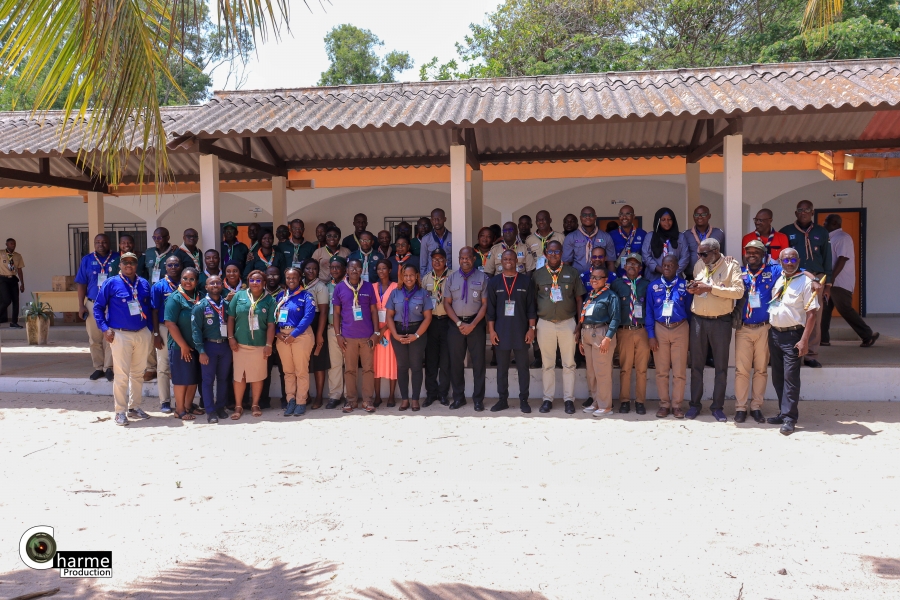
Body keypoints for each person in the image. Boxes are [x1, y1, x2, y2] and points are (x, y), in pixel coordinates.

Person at [685, 238, 744, 422]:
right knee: (696, 366)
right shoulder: (699, 265)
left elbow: (738, 292)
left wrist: (710, 288)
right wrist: (693, 288)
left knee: (721, 366)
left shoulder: (731, 265)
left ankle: (717, 407)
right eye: (699, 254)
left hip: (720, 322)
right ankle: (694, 405)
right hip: (698, 321)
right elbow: (698, 286)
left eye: (704, 254)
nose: (701, 257)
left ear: (716, 251)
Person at [93, 252, 153, 426]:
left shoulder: (143, 283)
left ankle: (135, 407)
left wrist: (149, 331)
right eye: (125, 262)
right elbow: (98, 308)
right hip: (120, 334)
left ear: (137, 265)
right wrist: (105, 329)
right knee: (121, 375)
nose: (129, 265)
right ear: (120, 265)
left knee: (138, 374)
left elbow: (148, 308)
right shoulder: (111, 283)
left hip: (141, 333)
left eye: (132, 262)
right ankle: (120, 412)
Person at [766, 248, 819, 435]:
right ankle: (783, 412)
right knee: (778, 376)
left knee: (791, 378)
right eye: (786, 259)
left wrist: (805, 341)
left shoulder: (805, 282)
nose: (789, 262)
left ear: (799, 260)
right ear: (780, 261)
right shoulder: (780, 277)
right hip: (774, 334)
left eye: (793, 259)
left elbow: (812, 314)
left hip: (793, 337)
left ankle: (790, 418)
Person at [533, 240, 586, 414]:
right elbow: (533, 301)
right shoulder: (538, 275)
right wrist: (533, 327)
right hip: (545, 324)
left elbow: (579, 299)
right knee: (547, 364)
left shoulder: (572, 272)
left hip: (567, 323)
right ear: (545, 254)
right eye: (550, 252)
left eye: (557, 252)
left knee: (569, 364)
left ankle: (568, 399)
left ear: (561, 253)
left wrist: (579, 324)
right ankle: (547, 399)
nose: (553, 255)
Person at [779, 200, 832, 368]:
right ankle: (792, 351)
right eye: (800, 210)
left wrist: (828, 284)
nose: (803, 212)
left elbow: (827, 257)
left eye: (807, 210)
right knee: (792, 313)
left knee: (814, 314)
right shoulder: (786, 231)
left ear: (812, 212)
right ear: (796, 213)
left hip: (817, 278)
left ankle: (811, 355)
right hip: (793, 277)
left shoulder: (821, 232)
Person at [487, 249, 537, 413]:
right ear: (501, 262)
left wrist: (531, 329)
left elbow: (531, 308)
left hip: (521, 332)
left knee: (523, 368)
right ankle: (503, 400)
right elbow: (490, 311)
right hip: (501, 333)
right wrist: (492, 332)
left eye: (511, 258)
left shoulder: (525, 281)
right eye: (505, 258)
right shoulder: (494, 282)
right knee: (502, 369)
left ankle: (524, 400)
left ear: (517, 261)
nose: (508, 261)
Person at [735, 240, 779, 424]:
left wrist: (815, 279)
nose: (751, 254)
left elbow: (794, 270)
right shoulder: (739, 273)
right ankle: (740, 408)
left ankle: (756, 407)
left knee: (761, 370)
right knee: (742, 371)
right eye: (748, 252)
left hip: (763, 328)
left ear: (763, 255)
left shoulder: (773, 271)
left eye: (756, 252)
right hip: (744, 329)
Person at [822, 214, 879, 347]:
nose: (824, 225)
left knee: (845, 309)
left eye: (826, 222)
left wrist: (831, 279)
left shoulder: (843, 238)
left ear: (835, 223)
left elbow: (842, 259)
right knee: (824, 309)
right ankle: (823, 339)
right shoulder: (831, 238)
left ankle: (867, 335)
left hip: (839, 282)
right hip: (830, 282)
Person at [443, 247, 489, 411]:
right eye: (462, 258)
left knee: (478, 363)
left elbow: (485, 305)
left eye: (468, 258)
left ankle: (478, 399)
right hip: (456, 325)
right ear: (458, 259)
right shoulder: (451, 279)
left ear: (474, 258)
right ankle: (458, 397)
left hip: (476, 324)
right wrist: (458, 323)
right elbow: (446, 303)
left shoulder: (483, 278)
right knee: (456, 363)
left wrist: (472, 324)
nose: (465, 260)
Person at [646, 255, 691, 418]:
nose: (667, 267)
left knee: (679, 371)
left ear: (677, 267)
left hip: (680, 328)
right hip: (660, 329)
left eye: (670, 265)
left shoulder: (684, 286)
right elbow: (649, 312)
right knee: (661, 370)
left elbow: (689, 310)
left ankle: (677, 405)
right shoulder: (653, 286)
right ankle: (664, 404)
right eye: (664, 265)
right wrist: (651, 335)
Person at [227, 269, 276, 419]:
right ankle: (238, 406)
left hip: (259, 345)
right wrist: (230, 337)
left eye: (258, 280)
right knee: (239, 376)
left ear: (264, 283)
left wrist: (269, 344)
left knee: (257, 376)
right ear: (248, 282)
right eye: (252, 280)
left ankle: (255, 404)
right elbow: (230, 318)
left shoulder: (269, 300)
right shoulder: (239, 296)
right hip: (240, 344)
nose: (255, 283)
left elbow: (271, 325)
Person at [333, 258, 380, 413]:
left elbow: (374, 310)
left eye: (357, 268)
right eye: (351, 268)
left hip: (367, 336)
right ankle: (351, 401)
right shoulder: (339, 288)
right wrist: (338, 334)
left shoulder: (368, 287)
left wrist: (376, 332)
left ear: (362, 271)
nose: (354, 270)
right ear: (347, 270)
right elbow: (337, 314)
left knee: (368, 369)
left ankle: (367, 400)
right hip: (348, 336)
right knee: (350, 369)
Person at [386, 264, 433, 411]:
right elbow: (389, 315)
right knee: (402, 366)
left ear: (417, 276)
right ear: (401, 277)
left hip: (417, 331)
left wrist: (416, 335)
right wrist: (394, 334)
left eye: (411, 275)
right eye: (405, 275)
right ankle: (405, 399)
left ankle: (415, 399)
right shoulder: (395, 293)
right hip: (398, 330)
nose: (408, 278)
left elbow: (427, 317)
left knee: (416, 366)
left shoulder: (423, 293)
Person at [75, 233, 119, 381]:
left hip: (112, 305)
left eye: (104, 242)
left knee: (110, 337)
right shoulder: (87, 260)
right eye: (98, 242)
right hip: (93, 304)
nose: (101, 244)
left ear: (109, 243)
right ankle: (98, 367)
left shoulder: (117, 258)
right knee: (94, 338)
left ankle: (109, 368)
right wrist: (81, 305)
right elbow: (81, 283)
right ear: (94, 244)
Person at [610, 253, 650, 415]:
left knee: (642, 369)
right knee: (625, 368)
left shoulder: (646, 285)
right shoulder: (617, 284)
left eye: (636, 264)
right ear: (624, 267)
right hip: (624, 331)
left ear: (640, 268)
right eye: (629, 264)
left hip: (642, 331)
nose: (632, 267)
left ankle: (640, 401)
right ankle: (625, 401)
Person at [274, 267, 317, 416]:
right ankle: (290, 400)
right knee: (288, 371)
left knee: (301, 371)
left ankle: (301, 401)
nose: (291, 280)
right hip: (282, 338)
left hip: (301, 336)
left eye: (294, 278)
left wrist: (294, 334)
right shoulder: (280, 296)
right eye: (288, 278)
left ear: (300, 279)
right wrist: (277, 333)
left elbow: (308, 317)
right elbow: (272, 318)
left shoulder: (306, 296)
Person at [164, 266, 204, 421]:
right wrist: (184, 346)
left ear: (197, 281)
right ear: (180, 280)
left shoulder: (200, 296)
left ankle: (188, 406)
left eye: (192, 279)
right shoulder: (175, 298)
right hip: (180, 347)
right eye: (185, 278)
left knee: (193, 378)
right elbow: (170, 324)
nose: (188, 282)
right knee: (181, 379)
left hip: (197, 346)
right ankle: (179, 410)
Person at [579, 266, 620, 417]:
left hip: (602, 333)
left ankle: (605, 406)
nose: (593, 280)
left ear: (605, 279)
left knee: (602, 372)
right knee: (592, 372)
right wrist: (582, 339)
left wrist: (608, 338)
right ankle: (596, 401)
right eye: (592, 277)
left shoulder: (610, 296)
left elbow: (616, 318)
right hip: (588, 333)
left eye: (597, 277)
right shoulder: (591, 295)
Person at [192, 274, 232, 424]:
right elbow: (196, 330)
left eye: (218, 283)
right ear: (206, 287)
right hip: (208, 346)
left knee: (223, 379)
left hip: (225, 346)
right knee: (208, 380)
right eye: (212, 283)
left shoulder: (227, 305)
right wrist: (201, 351)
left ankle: (221, 407)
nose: (215, 285)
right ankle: (210, 410)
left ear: (222, 286)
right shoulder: (200, 306)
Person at [150, 255, 182, 412]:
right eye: (170, 265)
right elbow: (154, 311)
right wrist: (156, 335)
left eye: (176, 264)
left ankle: (181, 401)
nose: (174, 267)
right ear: (165, 266)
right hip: (164, 329)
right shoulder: (159, 286)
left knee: (182, 364)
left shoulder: (186, 283)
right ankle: (165, 401)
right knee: (163, 366)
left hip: (183, 328)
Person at [300, 259, 331, 409]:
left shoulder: (321, 287)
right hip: (300, 325)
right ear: (303, 270)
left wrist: (319, 334)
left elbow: (324, 312)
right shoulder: (298, 284)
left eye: (314, 269)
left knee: (318, 362)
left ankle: (319, 396)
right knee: (302, 362)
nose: (311, 271)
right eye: (308, 268)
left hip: (317, 323)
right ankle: (304, 395)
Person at [422, 249, 451, 407]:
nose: (437, 262)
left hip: (447, 322)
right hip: (431, 323)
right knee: (431, 360)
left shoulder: (452, 276)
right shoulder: (426, 278)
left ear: (446, 260)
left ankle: (443, 394)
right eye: (434, 259)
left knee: (445, 361)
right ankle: (431, 394)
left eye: (440, 259)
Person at [372, 259, 398, 406]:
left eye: (384, 268)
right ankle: (377, 396)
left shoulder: (395, 287)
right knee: (375, 363)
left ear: (389, 270)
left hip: (390, 329)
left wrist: (384, 329)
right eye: (379, 269)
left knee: (392, 362)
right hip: (375, 330)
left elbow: (397, 310)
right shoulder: (372, 287)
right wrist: (377, 331)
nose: (381, 271)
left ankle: (391, 396)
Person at [260, 266, 287, 409]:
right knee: (265, 370)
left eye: (276, 275)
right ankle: (263, 400)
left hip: (281, 336)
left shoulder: (284, 294)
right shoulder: (260, 293)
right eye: (269, 275)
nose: (272, 278)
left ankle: (286, 399)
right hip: (264, 338)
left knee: (285, 370)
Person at [563, 206, 617, 274]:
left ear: (595, 217)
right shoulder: (571, 237)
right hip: (578, 278)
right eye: (584, 215)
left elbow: (610, 263)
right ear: (580, 217)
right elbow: (567, 263)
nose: (587, 217)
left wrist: (612, 280)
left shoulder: (606, 237)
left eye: (591, 215)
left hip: (600, 278)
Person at [324, 257, 347, 409]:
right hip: (332, 328)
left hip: (348, 328)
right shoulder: (326, 287)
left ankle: (348, 394)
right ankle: (335, 395)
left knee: (349, 363)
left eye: (338, 267)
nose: (334, 270)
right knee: (335, 364)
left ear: (345, 268)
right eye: (332, 267)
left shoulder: (350, 285)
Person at [642, 207, 689, 281]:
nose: (667, 222)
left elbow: (685, 257)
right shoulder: (650, 236)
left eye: (669, 219)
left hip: (675, 278)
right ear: (658, 221)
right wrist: (660, 269)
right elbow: (646, 256)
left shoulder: (680, 237)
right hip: (653, 278)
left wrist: (673, 272)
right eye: (663, 220)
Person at [684, 205, 726, 274]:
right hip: (691, 275)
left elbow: (722, 253)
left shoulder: (718, 233)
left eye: (703, 214)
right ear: (693, 216)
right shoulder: (686, 234)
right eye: (696, 214)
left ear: (709, 216)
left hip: (714, 274)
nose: (700, 217)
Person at [609, 205, 646, 278]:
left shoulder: (642, 234)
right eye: (621, 214)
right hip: (619, 277)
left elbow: (646, 258)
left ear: (634, 216)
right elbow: (610, 261)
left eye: (628, 214)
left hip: (638, 278)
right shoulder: (611, 235)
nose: (624, 217)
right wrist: (613, 279)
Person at [419, 208, 452, 278]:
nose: (436, 222)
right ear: (431, 221)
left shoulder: (452, 237)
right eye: (434, 219)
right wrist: (424, 280)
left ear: (444, 219)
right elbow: (423, 263)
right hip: (431, 277)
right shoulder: (426, 239)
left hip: (448, 276)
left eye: (439, 219)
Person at [0, 238, 24, 328]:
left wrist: (22, 284)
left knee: (16, 301)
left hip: (13, 279)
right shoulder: (1, 253)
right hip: (3, 279)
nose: (13, 245)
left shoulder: (18, 256)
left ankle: (14, 322)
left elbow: (20, 270)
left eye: (14, 244)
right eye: (11, 243)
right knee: (6, 300)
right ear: (6, 244)